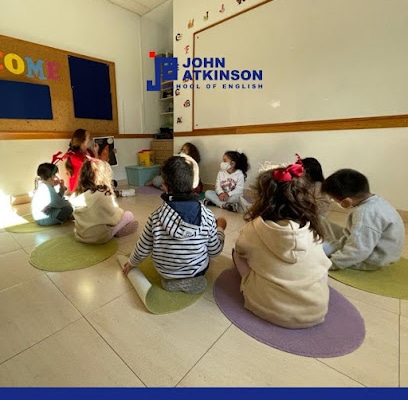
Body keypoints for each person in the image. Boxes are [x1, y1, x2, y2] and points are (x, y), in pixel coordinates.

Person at [233, 156, 331, 329]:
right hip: (316, 311)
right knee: (319, 267)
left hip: (265, 306)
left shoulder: (253, 228)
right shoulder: (313, 229)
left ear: (260, 198)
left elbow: (241, 251)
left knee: (237, 253)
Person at [122, 154, 227, 294]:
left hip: (165, 272)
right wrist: (220, 229)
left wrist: (131, 263)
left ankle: (173, 280)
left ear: (165, 187)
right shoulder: (207, 216)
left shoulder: (155, 217)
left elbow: (143, 247)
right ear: (195, 185)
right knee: (206, 248)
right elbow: (214, 252)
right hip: (195, 271)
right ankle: (190, 278)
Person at [321, 168, 405, 271]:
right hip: (385, 254)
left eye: (334, 200)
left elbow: (358, 250)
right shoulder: (377, 202)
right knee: (330, 240)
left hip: (372, 260)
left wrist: (331, 264)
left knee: (322, 250)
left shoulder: (365, 213)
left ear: (346, 201)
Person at [69, 159, 138, 244]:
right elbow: (114, 218)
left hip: (81, 236)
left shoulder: (75, 195)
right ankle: (116, 231)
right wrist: (120, 212)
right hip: (100, 238)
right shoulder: (102, 194)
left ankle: (115, 230)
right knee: (128, 215)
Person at [65, 128, 99, 193]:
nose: (90, 139)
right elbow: (90, 166)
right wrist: (96, 154)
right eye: (88, 137)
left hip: (90, 183)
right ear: (82, 139)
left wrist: (96, 153)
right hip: (79, 187)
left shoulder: (89, 151)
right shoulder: (73, 153)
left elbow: (97, 165)